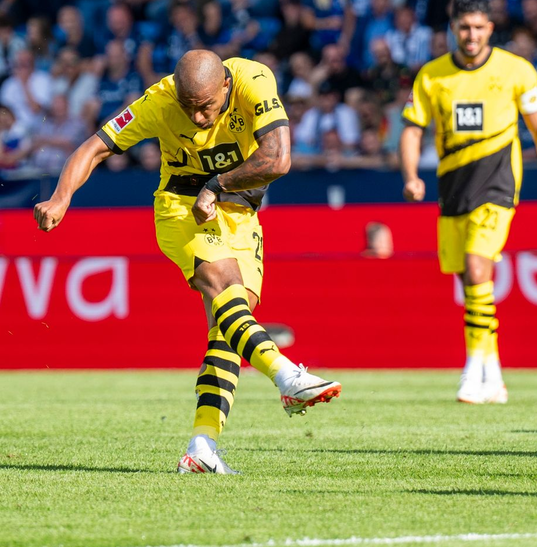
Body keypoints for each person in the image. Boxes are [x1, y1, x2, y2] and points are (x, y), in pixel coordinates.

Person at [33, 50, 341, 474]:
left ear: (226, 88)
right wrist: (61, 197)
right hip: (181, 208)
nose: (197, 119)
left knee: (229, 327)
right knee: (227, 291)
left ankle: (202, 446)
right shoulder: (158, 100)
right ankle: (287, 375)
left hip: (239, 209)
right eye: (188, 107)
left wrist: (217, 185)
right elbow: (94, 148)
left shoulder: (254, 82)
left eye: (206, 108)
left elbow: (278, 159)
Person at [400, 0, 537, 405]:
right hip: (452, 187)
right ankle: (493, 374)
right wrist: (410, 176)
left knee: (478, 269)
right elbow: (412, 129)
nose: (471, 35)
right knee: (468, 280)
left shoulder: (516, 71)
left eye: (479, 27)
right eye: (464, 27)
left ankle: (473, 369)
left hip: (497, 183)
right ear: (453, 29)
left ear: (490, 29)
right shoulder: (432, 75)